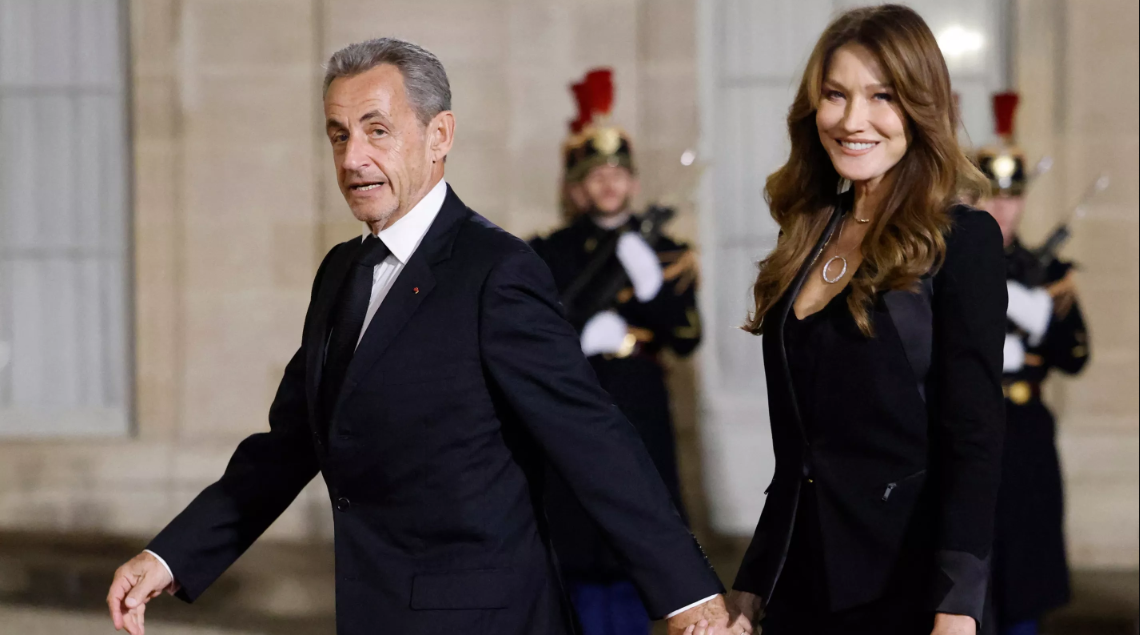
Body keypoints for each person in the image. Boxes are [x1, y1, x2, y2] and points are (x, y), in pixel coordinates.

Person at [104, 38, 737, 635]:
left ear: (440, 136)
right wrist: (171, 555)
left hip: (485, 620)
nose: (353, 159)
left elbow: (592, 438)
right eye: (339, 135)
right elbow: (291, 444)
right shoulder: (340, 273)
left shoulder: (497, 271)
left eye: (377, 130)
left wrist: (690, 598)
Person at [722, 6, 1006, 635]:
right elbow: (800, 456)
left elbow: (975, 438)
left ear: (921, 107)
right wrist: (754, 584)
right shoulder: (806, 234)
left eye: (882, 96)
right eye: (835, 95)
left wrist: (958, 606)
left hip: (908, 590)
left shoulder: (962, 241)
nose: (853, 120)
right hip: (802, 588)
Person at [530, 68, 703, 635]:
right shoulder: (550, 252)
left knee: (640, 538)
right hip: (576, 405)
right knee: (576, 541)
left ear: (633, 181)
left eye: (618, 173)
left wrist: (652, 289)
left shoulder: (666, 250)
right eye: (595, 174)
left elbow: (687, 337)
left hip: (639, 405)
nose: (608, 183)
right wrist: (578, 342)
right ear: (578, 185)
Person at [974, 92, 1090, 635]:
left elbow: (1075, 355)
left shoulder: (1048, 272)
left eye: (1013, 198)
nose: (1004, 209)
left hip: (1024, 435)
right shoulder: (946, 265)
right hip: (967, 429)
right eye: (993, 197)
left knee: (1024, 579)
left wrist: (1036, 320)